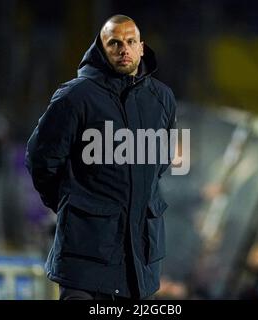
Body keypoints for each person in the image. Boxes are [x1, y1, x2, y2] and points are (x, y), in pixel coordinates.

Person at [25, 14, 177, 300]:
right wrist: (74, 204)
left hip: (138, 267)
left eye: (131, 42)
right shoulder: (75, 96)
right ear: (101, 48)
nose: (124, 49)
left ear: (142, 47)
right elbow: (41, 160)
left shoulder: (162, 99)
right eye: (114, 43)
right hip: (85, 262)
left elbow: (159, 163)